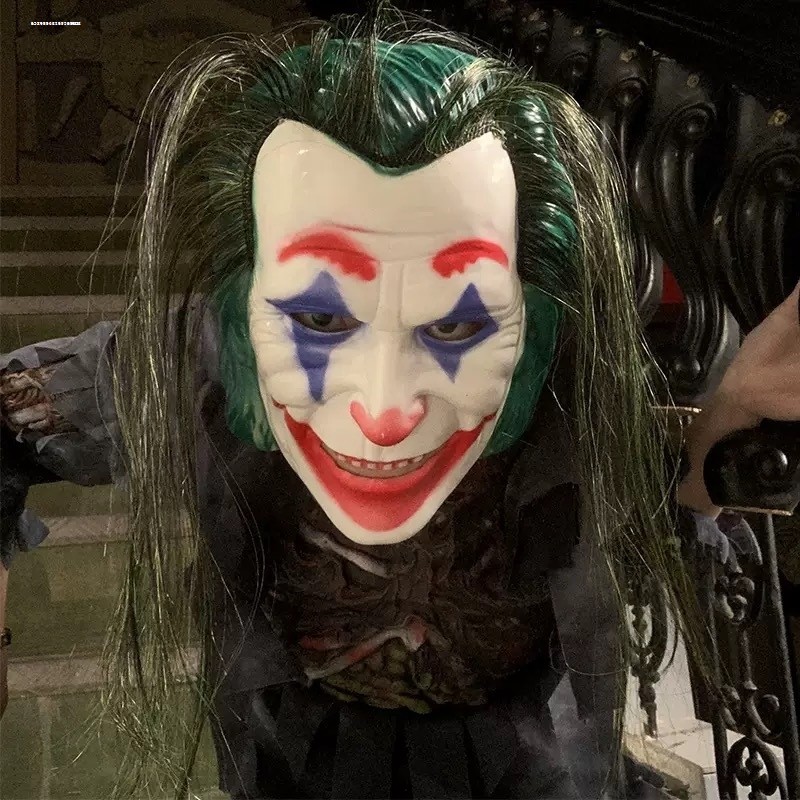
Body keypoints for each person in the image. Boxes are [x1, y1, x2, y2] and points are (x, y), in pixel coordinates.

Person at [1, 9, 798, 799]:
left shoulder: (568, 373)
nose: (385, 414)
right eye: (319, 320)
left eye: (454, 324)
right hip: (288, 761)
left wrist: (721, 438)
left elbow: (645, 512)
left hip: (535, 761)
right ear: (243, 305)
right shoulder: (188, 362)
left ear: (531, 316)